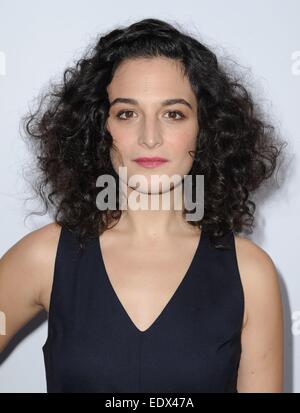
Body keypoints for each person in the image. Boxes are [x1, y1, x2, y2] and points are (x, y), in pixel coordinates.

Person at [0, 18, 286, 393]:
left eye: (173, 114)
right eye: (127, 113)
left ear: (208, 129)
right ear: (97, 127)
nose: (150, 137)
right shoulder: (43, 258)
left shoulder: (251, 274)